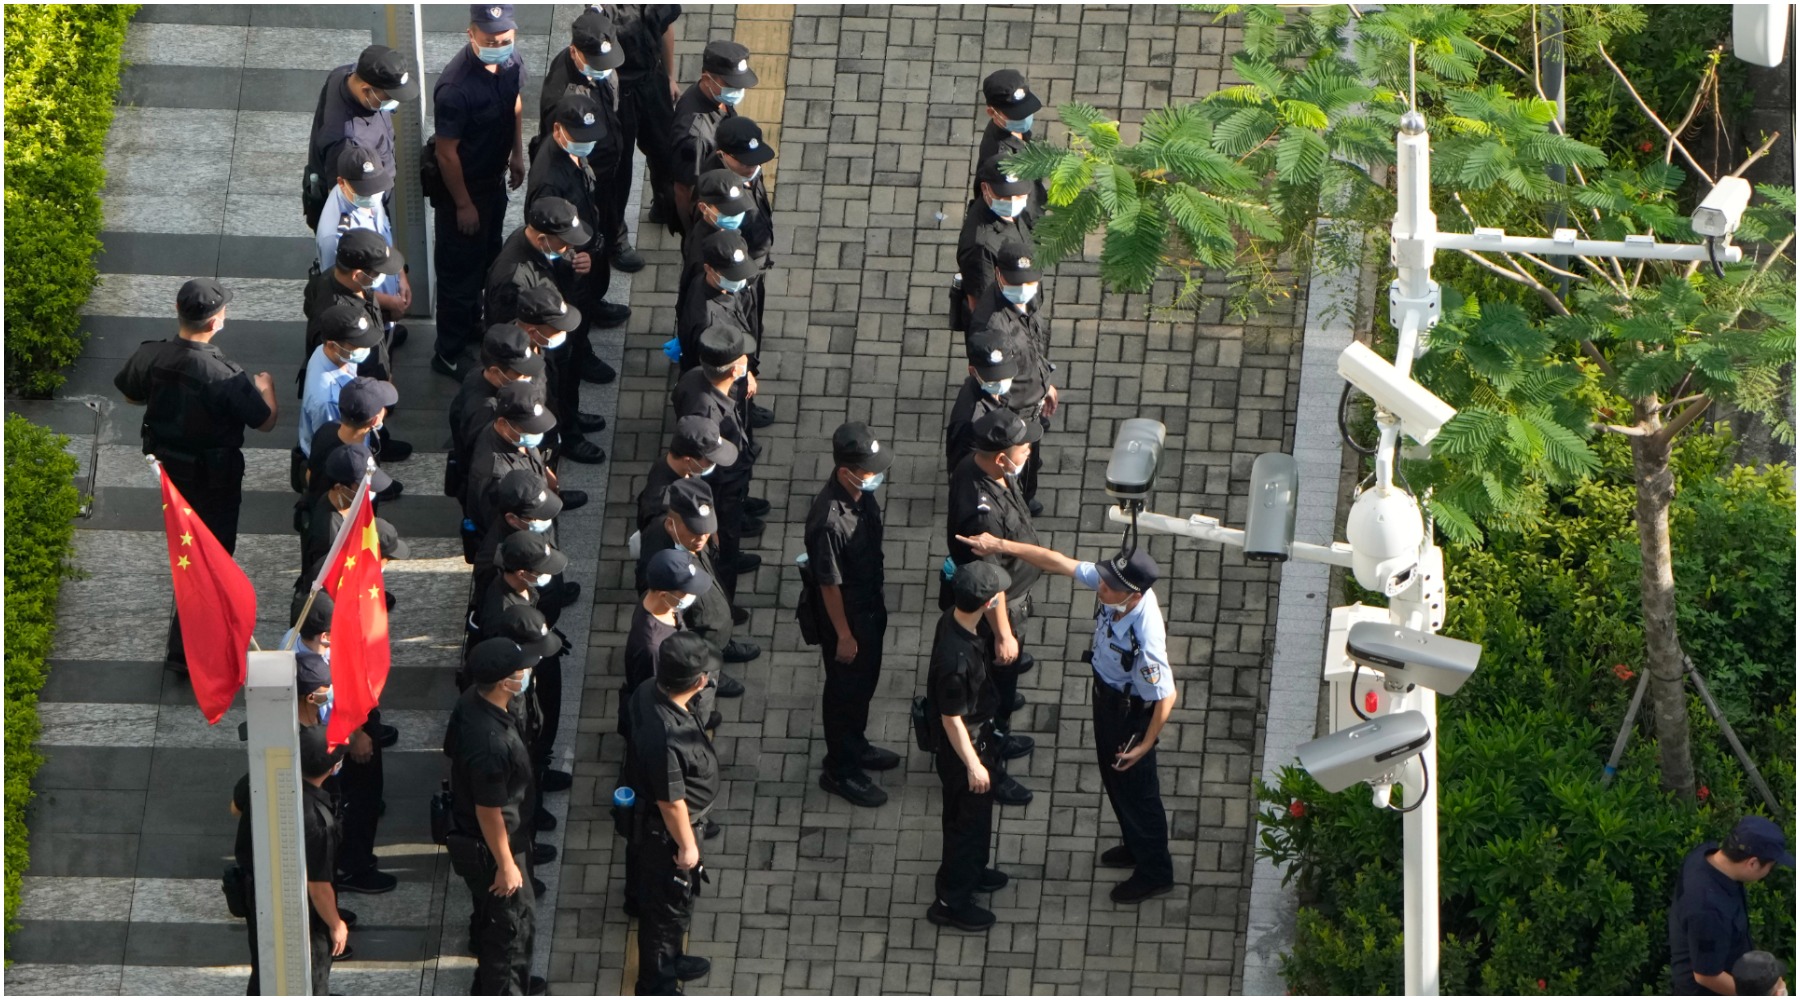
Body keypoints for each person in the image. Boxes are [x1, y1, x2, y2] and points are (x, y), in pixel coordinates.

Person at [956, 537, 1178, 902]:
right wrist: (1000, 544)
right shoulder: (1115, 588)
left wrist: (1145, 744)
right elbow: (1056, 561)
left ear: (1133, 595)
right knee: (1114, 779)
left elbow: (1166, 695)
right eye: (1104, 579)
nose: (1100, 587)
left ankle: (1155, 872)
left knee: (1138, 792)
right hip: (1107, 700)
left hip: (1130, 715)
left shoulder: (1146, 634)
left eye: (1109, 586)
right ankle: (1136, 844)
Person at [115, 278, 277, 675]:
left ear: (177, 309)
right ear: (215, 322)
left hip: (170, 471)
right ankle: (186, 650)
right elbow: (265, 421)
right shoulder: (226, 375)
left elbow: (131, 393)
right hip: (215, 480)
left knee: (189, 545)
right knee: (212, 556)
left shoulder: (151, 354)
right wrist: (266, 388)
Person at [236, 602, 345, 994]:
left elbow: (237, 803)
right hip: (292, 906)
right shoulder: (315, 815)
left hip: (263, 891)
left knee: (265, 972)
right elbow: (317, 883)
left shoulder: (270, 763)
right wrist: (336, 923)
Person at [944, 408, 1044, 806]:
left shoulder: (990, 470)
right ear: (1001, 457)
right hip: (998, 616)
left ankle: (1000, 730)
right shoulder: (979, 511)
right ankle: (991, 760)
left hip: (1012, 602)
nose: (1029, 450)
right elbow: (990, 582)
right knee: (990, 693)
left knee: (1004, 685)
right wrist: (1003, 634)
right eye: (1024, 447)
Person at [805, 422, 900, 808]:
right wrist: (844, 635)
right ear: (845, 471)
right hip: (847, 618)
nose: (875, 475)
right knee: (844, 692)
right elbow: (829, 585)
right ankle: (840, 770)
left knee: (863, 684)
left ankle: (856, 745)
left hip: (870, 607)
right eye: (868, 470)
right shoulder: (829, 520)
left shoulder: (861, 495)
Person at [431, 3, 527, 379]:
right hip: (465, 192)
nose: (499, 45)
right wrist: (463, 204)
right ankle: (449, 352)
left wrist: (517, 153)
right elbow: (446, 153)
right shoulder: (455, 88)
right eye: (490, 39)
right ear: (471, 34)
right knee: (458, 274)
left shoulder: (511, 61)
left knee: (487, 259)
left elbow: (514, 103)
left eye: (505, 38)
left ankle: (472, 323)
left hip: (493, 184)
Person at [444, 637, 544, 996]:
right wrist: (506, 865)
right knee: (511, 928)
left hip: (485, 839)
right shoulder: (490, 743)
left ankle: (489, 983)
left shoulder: (472, 700)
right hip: (494, 846)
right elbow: (489, 812)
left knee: (492, 919)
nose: (526, 674)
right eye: (520, 671)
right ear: (504, 682)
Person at [627, 631, 721, 995]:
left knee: (669, 905)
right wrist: (687, 846)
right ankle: (656, 983)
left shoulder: (648, 690)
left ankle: (671, 958)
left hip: (657, 822)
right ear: (697, 682)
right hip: (666, 834)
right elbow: (671, 802)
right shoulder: (667, 738)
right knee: (665, 912)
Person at [925, 562, 1012, 933]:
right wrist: (974, 765)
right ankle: (951, 901)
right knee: (966, 824)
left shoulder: (953, 619)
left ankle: (973, 871)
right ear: (987, 602)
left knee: (976, 821)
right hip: (966, 752)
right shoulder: (955, 659)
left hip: (978, 741)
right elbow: (951, 719)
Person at [484, 204, 606, 464]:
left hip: (551, 341)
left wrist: (574, 267)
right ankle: (563, 441)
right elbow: (510, 337)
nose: (569, 248)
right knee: (547, 399)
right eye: (564, 242)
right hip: (535, 357)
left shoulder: (538, 246)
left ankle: (570, 420)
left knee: (564, 386)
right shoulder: (512, 278)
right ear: (542, 238)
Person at [525, 90, 629, 383]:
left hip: (584, 242)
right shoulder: (549, 179)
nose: (587, 144)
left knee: (586, 298)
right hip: (569, 264)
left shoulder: (570, 153)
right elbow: (543, 231)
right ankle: (579, 356)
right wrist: (571, 257)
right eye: (580, 138)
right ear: (558, 129)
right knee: (573, 313)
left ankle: (590, 317)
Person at [671, 326, 763, 606]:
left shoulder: (694, 378)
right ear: (734, 370)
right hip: (721, 488)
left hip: (731, 475)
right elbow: (697, 470)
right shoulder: (707, 413)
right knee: (724, 544)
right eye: (744, 359)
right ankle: (725, 603)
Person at [1669, 815, 1794, 994]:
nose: (1769, 871)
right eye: (1770, 866)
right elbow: (1706, 975)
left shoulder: (1705, 854)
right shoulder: (1708, 910)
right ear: (1752, 863)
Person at [304, 43, 420, 228]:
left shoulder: (343, 74)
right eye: (389, 97)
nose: (394, 102)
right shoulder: (347, 142)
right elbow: (348, 203)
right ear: (366, 89)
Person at [594, 3, 681, 237]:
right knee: (619, 167)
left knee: (666, 149)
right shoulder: (603, 10)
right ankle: (615, 235)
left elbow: (665, 28)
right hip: (620, 92)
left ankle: (665, 205)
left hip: (652, 80)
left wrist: (670, 77)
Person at [316, 144, 411, 345]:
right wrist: (390, 303)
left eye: (375, 186)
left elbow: (384, 236)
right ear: (341, 183)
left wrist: (400, 276)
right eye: (365, 191)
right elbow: (342, 287)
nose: (373, 195)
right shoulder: (334, 236)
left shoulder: (368, 193)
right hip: (364, 318)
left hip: (386, 304)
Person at [446, 323, 548, 502]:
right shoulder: (485, 412)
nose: (527, 379)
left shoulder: (481, 371)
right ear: (496, 371)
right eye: (521, 374)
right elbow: (484, 460)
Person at [671, 39, 756, 227]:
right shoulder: (695, 137)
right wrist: (691, 230)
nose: (737, 90)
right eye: (730, 84)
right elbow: (683, 189)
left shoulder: (713, 95)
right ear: (707, 79)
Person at [298, 303, 383, 458]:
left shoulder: (327, 353)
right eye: (356, 345)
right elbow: (335, 445)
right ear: (332, 345)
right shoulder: (328, 400)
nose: (364, 348)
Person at [956, 154, 1035, 312]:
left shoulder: (1005, 211)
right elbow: (980, 305)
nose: (1013, 201)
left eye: (1019, 195)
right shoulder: (980, 248)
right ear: (985, 188)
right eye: (1005, 197)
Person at [675, 229, 759, 376]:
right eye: (732, 276)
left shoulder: (716, 283)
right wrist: (746, 373)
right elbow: (715, 372)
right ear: (708, 269)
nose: (741, 280)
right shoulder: (707, 322)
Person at [971, 69, 1046, 226]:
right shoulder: (999, 157)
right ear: (992, 113)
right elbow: (1002, 198)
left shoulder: (1012, 129)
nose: (1025, 118)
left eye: (1026, 111)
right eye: (1017, 116)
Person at [945, 326, 1019, 477]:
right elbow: (963, 467)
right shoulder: (969, 421)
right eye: (993, 379)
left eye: (1004, 375)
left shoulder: (990, 390)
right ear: (973, 371)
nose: (1001, 382)